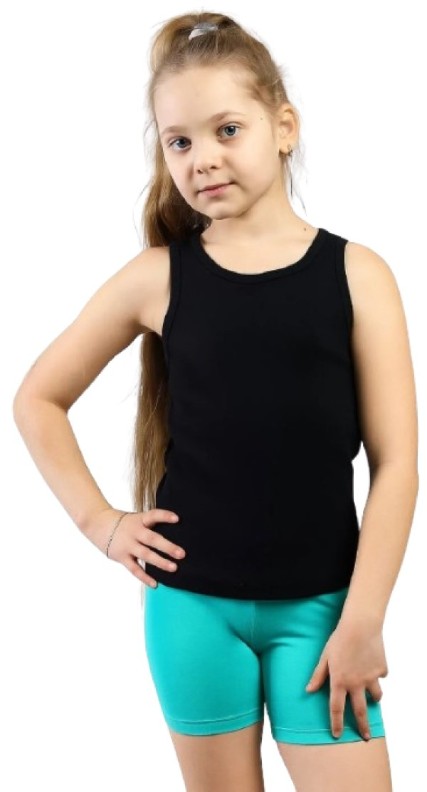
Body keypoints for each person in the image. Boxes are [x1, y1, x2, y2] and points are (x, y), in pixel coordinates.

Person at [12, 10, 418, 792]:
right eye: (179, 142)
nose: (202, 158)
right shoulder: (156, 278)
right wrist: (100, 523)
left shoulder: (358, 275)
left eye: (227, 130)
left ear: (283, 127)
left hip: (324, 613)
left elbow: (396, 463)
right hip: (192, 611)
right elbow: (38, 397)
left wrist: (364, 617)